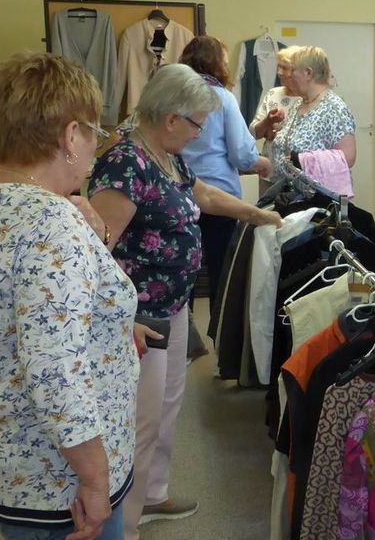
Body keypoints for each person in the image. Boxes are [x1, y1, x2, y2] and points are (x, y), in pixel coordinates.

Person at [0, 52, 149, 540]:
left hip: (6, 460)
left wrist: (113, 325)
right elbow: (54, 371)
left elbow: (13, 314)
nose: (96, 150)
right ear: (69, 135)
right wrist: (95, 482)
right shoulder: (51, 224)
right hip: (60, 483)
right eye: (94, 135)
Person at [87, 63, 282, 540]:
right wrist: (121, 318)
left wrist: (255, 213)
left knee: (167, 406)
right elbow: (93, 252)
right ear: (171, 117)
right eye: (197, 123)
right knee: (140, 419)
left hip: (171, 309)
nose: (200, 134)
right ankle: (125, 526)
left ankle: (153, 493)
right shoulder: (126, 162)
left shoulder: (167, 157)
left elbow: (205, 195)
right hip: (139, 318)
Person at [179, 36, 273, 314]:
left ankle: (185, 343)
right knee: (223, 272)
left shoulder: (175, 95)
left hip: (182, 195)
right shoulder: (221, 97)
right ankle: (221, 336)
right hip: (219, 198)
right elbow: (241, 155)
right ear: (215, 62)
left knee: (186, 272)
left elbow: (215, 138)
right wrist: (264, 162)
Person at [268, 45, 356, 184]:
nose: (289, 75)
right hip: (288, 195)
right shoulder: (299, 104)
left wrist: (303, 160)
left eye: (293, 70)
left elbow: (348, 158)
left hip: (317, 200)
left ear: (308, 73)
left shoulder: (334, 109)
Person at [250, 45, 303, 194]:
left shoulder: (307, 98)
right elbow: (254, 133)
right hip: (269, 174)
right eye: (278, 67)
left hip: (299, 178)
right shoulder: (273, 94)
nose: (279, 73)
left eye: (285, 68)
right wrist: (267, 121)